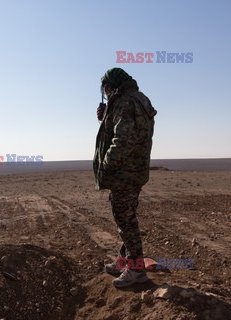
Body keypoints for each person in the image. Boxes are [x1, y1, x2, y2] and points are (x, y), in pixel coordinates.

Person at [93, 67, 157, 288]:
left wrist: (107, 165)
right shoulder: (139, 99)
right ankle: (124, 261)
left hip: (123, 173)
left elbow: (123, 138)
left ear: (112, 86)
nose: (106, 93)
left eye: (107, 89)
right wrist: (106, 118)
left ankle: (136, 270)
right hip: (136, 171)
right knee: (126, 217)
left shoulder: (123, 102)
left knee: (126, 221)